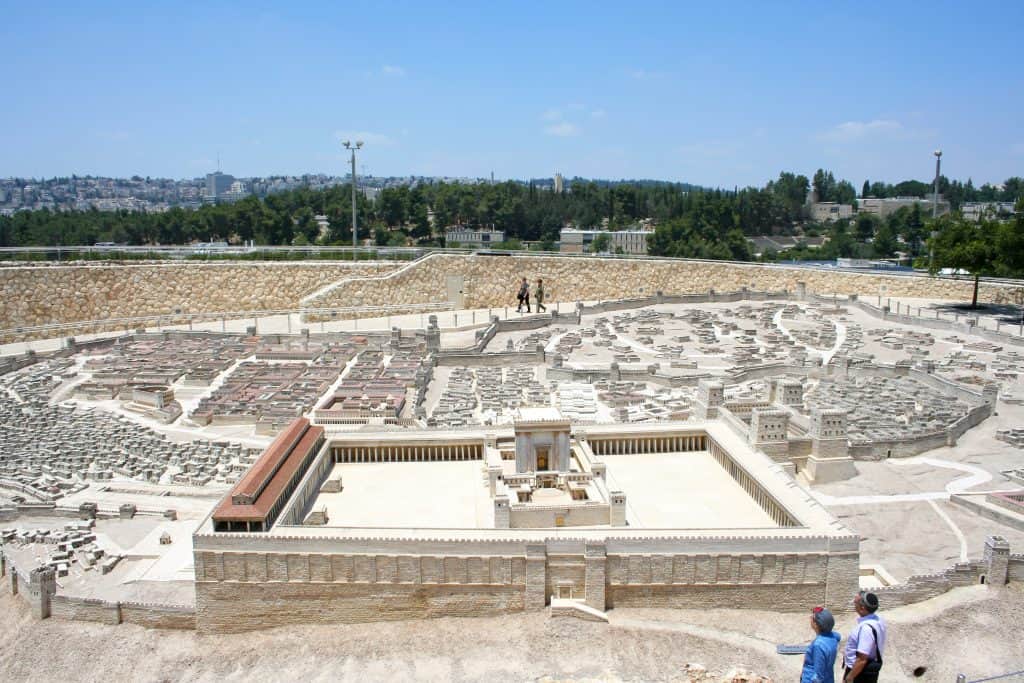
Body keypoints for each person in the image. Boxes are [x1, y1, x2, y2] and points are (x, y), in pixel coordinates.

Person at [843, 591, 886, 683]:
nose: (854, 604)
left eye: (855, 603)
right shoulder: (878, 620)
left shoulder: (866, 629)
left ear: (862, 608)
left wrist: (849, 677)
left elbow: (862, 659)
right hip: (865, 670)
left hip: (859, 672)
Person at [801, 606, 841, 683]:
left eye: (812, 618)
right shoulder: (833, 636)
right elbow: (838, 636)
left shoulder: (818, 645)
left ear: (816, 624)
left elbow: (818, 675)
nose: (810, 618)